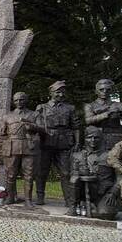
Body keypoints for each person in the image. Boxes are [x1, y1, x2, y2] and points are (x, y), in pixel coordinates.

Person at [35, 80, 80, 213]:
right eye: (57, 92)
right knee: (42, 171)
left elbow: (76, 127)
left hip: (64, 143)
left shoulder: (70, 108)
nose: (60, 94)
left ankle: (68, 199)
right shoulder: (42, 107)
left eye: (62, 92)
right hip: (46, 142)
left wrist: (77, 142)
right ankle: (40, 196)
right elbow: (36, 125)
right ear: (51, 93)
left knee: (66, 173)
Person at [1, 92, 44, 206]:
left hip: (28, 147)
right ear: (13, 102)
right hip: (12, 147)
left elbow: (42, 129)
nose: (19, 102)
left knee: (29, 175)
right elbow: (3, 133)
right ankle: (10, 197)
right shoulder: (7, 116)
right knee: (11, 174)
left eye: (21, 100)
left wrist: (32, 126)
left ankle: (28, 200)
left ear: (26, 100)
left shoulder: (34, 115)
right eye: (16, 100)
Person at [70, 126, 119, 219]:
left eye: (96, 137)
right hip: (85, 193)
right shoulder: (77, 156)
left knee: (106, 214)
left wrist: (113, 192)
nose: (92, 140)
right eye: (89, 137)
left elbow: (120, 177)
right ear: (85, 139)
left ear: (101, 139)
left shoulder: (110, 156)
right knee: (74, 180)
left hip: (104, 193)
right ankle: (79, 204)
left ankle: (92, 208)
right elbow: (73, 176)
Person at [84, 78, 122, 151]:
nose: (104, 92)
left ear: (111, 91)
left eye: (108, 90)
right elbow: (88, 120)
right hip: (96, 140)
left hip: (115, 139)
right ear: (96, 91)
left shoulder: (119, 105)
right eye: (101, 90)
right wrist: (107, 113)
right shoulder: (90, 106)